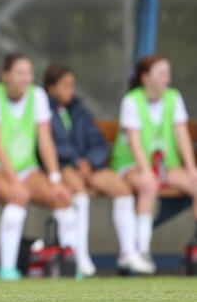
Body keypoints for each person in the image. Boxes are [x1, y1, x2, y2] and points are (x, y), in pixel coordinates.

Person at [0, 53, 76, 280]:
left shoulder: (37, 96)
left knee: (62, 197)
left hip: (26, 169)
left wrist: (55, 180)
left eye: (28, 73)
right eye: (19, 72)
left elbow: (46, 141)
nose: (25, 78)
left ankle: (70, 265)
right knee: (18, 197)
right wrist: (14, 181)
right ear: (5, 75)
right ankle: (7, 270)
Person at [43, 63, 153, 275]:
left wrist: (90, 161)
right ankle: (80, 256)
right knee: (80, 195)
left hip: (89, 165)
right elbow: (52, 145)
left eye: (72, 85)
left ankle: (128, 252)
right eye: (65, 85)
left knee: (122, 190)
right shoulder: (44, 111)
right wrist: (76, 162)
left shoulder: (80, 111)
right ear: (51, 88)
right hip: (64, 166)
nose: (71, 90)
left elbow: (98, 142)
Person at [111, 55, 197, 271]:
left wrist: (191, 168)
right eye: (161, 73)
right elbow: (135, 141)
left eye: (168, 73)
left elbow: (182, 135)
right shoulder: (132, 100)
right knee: (148, 185)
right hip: (132, 164)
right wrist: (146, 171)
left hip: (165, 165)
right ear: (145, 78)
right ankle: (142, 250)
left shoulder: (173, 97)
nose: (167, 78)